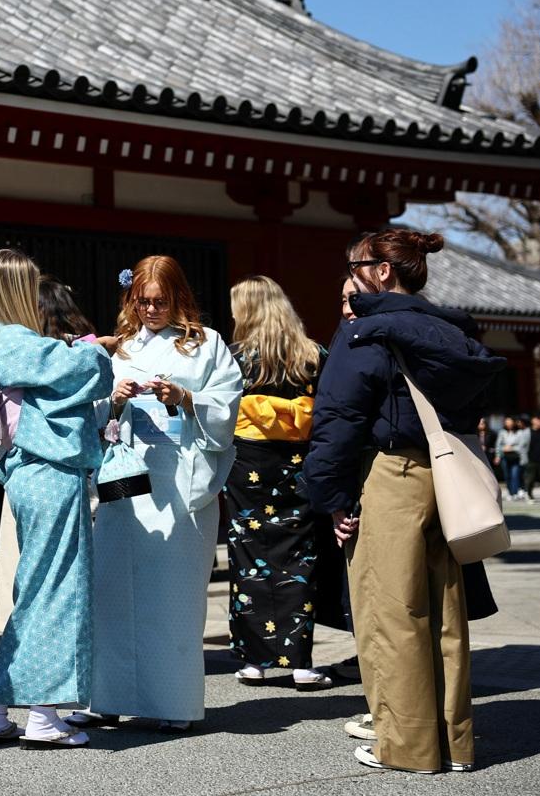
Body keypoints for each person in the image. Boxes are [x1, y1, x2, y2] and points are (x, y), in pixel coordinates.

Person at [301, 229, 504, 774]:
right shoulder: (452, 331)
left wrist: (333, 499)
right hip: (445, 479)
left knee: (391, 615)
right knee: (444, 614)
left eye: (354, 264)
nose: (349, 274)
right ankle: (455, 743)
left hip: (389, 476)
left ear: (382, 271)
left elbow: (338, 419)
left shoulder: (364, 331)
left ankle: (407, 747)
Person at [0, 250, 113, 750]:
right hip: (50, 470)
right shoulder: (11, 338)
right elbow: (77, 369)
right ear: (15, 289)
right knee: (57, 588)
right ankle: (45, 715)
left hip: (31, 472)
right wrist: (97, 351)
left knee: (35, 588)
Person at [85, 256, 242, 732]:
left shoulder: (206, 344)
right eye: (143, 301)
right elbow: (89, 409)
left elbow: (228, 404)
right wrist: (114, 399)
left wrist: (187, 398)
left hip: (179, 476)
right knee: (112, 591)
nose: (152, 310)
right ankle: (106, 697)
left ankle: (172, 703)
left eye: (161, 301)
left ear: (179, 299)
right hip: (128, 478)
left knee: (172, 594)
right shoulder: (121, 348)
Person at [223, 276, 330, 690]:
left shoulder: (235, 358)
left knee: (248, 555)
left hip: (247, 464)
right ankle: (301, 662)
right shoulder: (313, 355)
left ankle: (254, 661)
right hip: (297, 463)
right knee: (299, 558)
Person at [0, 275, 100, 633]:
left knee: (36, 570)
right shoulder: (61, 353)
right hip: (60, 463)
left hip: (27, 465)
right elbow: (96, 378)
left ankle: (30, 638)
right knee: (60, 575)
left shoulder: (17, 347)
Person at [495, 416, 531, 500]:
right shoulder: (502, 432)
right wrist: (498, 454)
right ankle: (510, 492)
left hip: (516, 457)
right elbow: (498, 445)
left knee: (515, 475)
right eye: (507, 422)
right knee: (507, 475)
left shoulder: (520, 432)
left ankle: (514, 493)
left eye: (510, 422)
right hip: (505, 457)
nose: (508, 424)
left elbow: (522, 446)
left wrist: (511, 448)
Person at [528, 415, 540, 500]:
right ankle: (529, 494)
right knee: (530, 478)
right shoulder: (528, 432)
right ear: (533, 421)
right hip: (531, 459)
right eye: (537, 420)